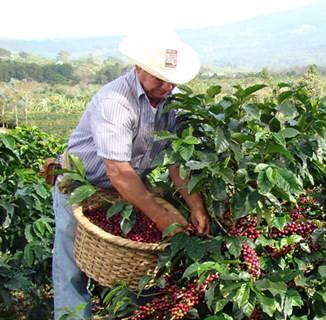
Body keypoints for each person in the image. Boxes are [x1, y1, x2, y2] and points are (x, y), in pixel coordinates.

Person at [51, 31, 209, 319]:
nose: (166, 85)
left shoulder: (176, 100)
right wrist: (163, 219)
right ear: (138, 67)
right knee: (71, 268)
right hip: (81, 185)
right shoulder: (116, 101)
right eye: (158, 77)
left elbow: (178, 160)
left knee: (135, 269)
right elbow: (118, 173)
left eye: (171, 79)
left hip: (130, 189)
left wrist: (195, 204)